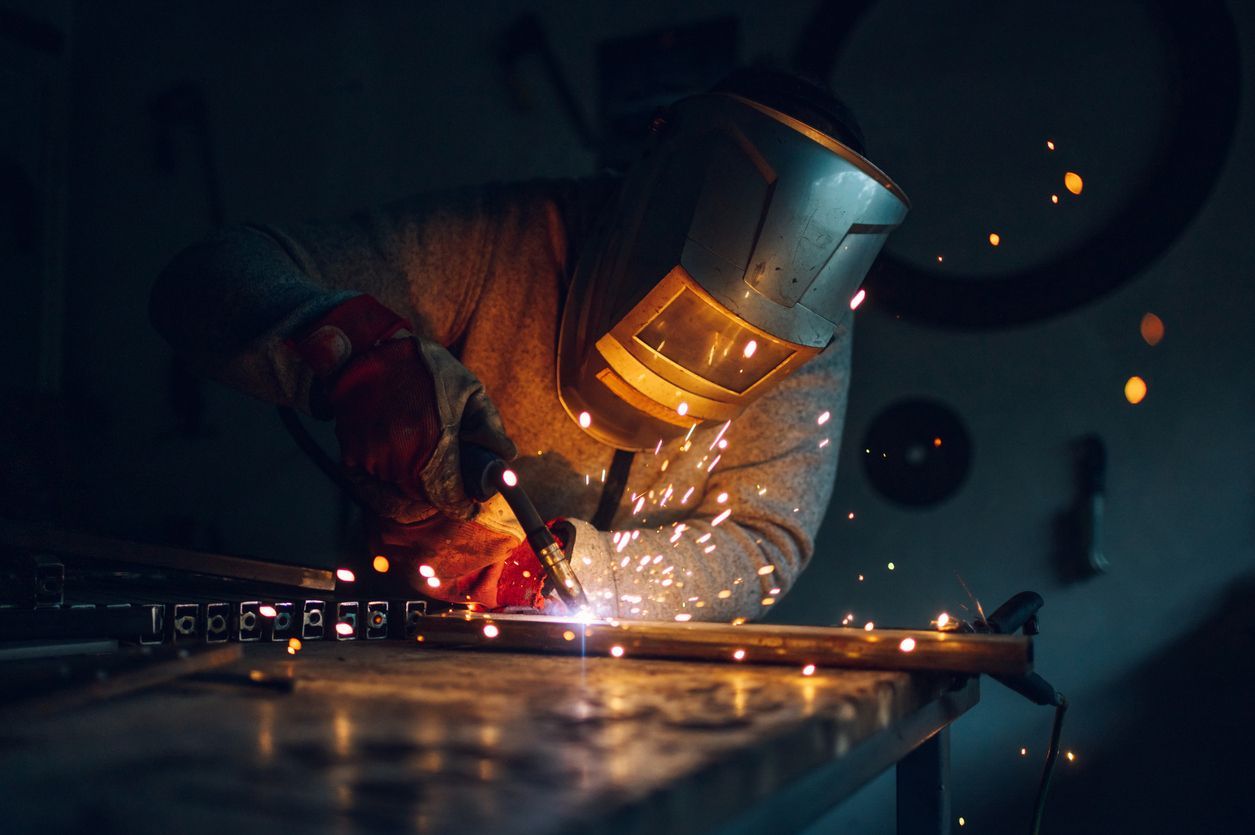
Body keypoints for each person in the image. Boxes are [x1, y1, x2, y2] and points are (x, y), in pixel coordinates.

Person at [150, 69, 908, 621]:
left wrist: (555, 575)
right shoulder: (502, 239)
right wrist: (355, 355)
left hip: (635, 692)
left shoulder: (810, 326)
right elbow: (208, 277)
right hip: (410, 647)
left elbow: (765, 541)